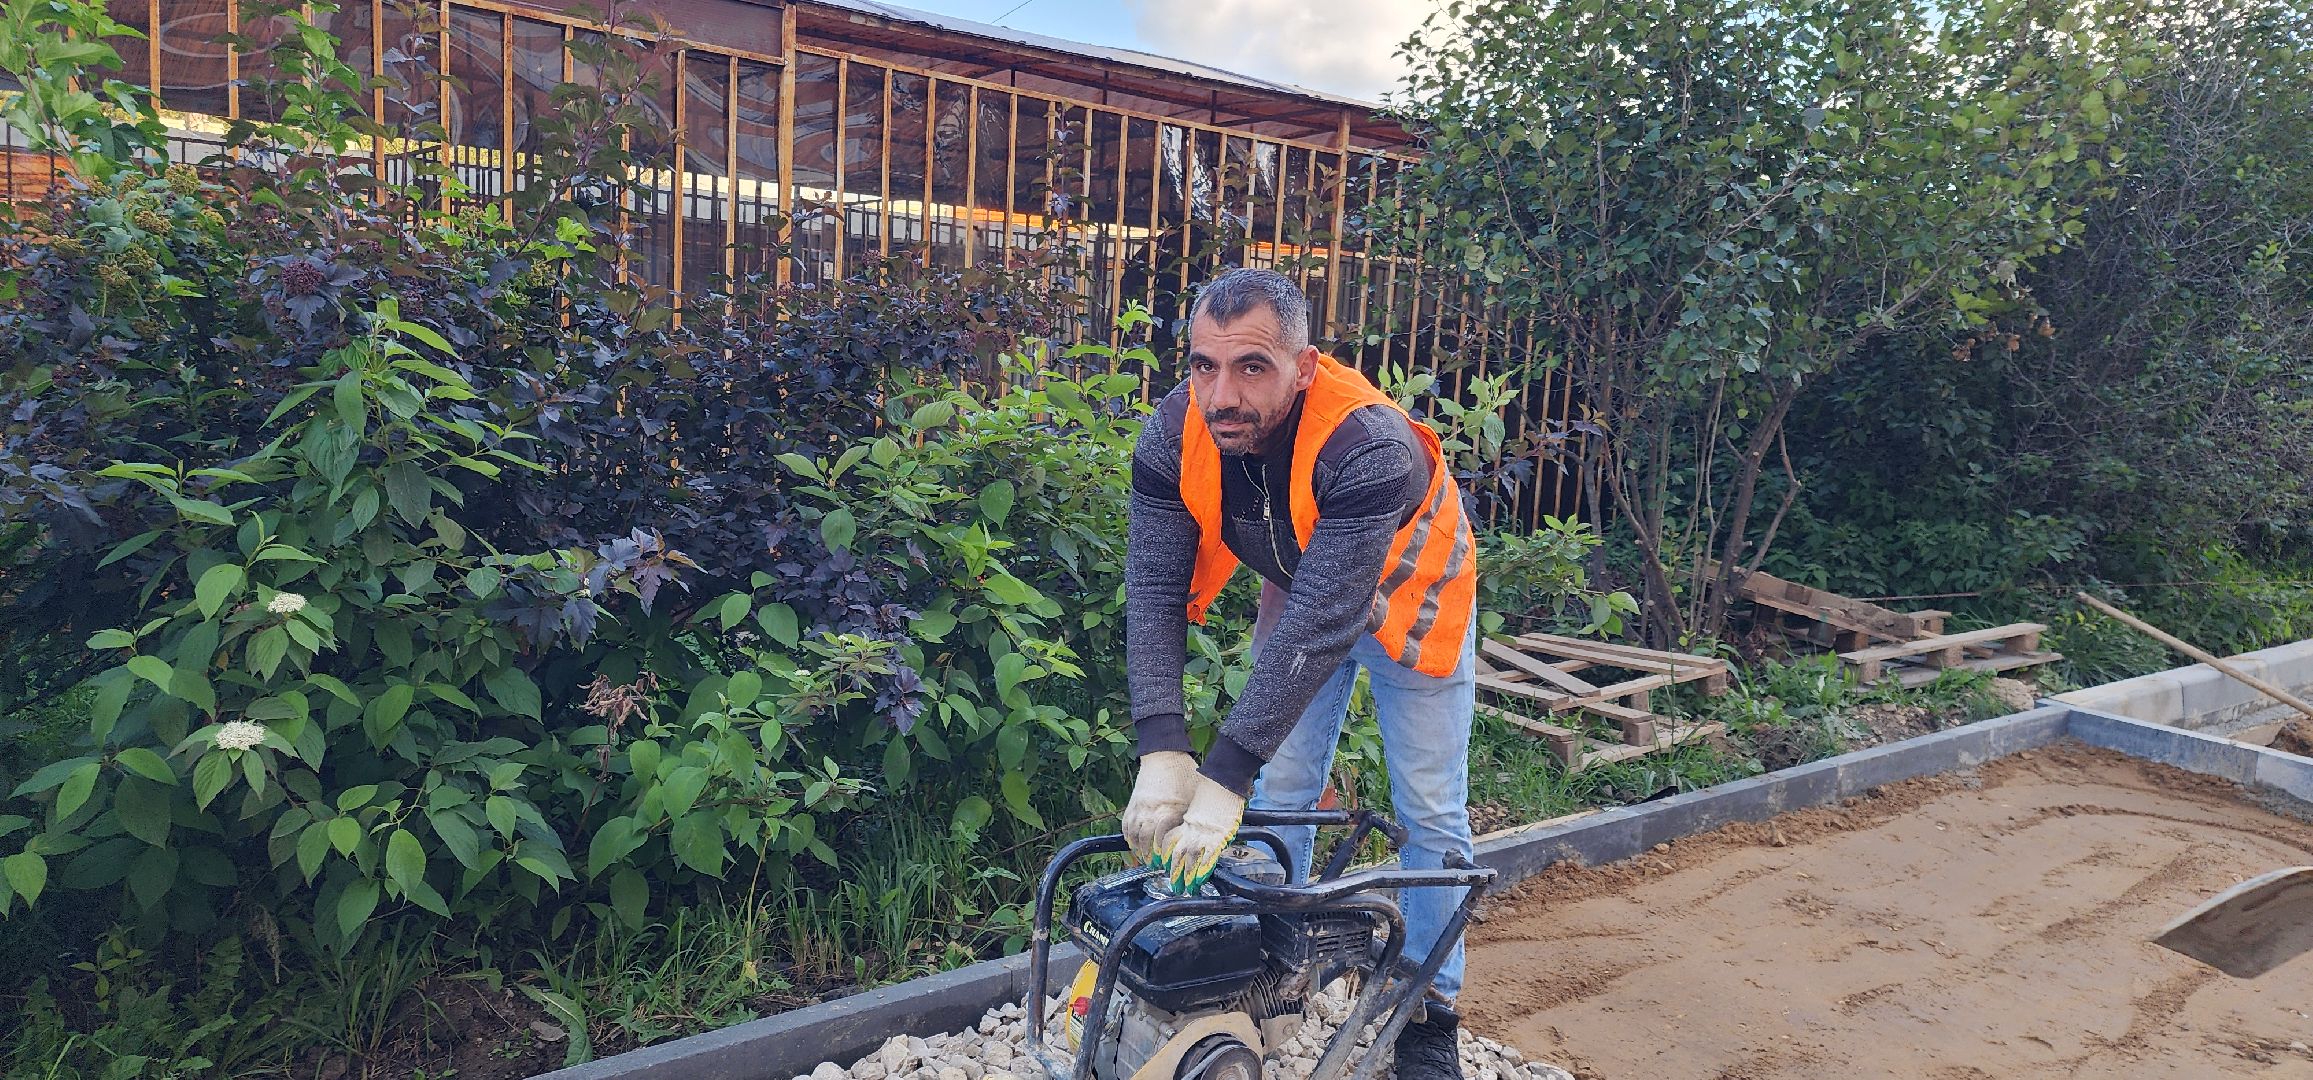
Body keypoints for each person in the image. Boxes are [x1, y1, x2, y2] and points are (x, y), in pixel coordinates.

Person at [1120, 266, 1479, 1079]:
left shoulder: (1368, 446)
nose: (1222, 395)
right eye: (1204, 365)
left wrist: (1224, 771)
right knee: (1280, 794)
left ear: (1304, 366)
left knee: (1428, 811)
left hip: (1412, 595)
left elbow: (1326, 621)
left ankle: (1428, 1013)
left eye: (1252, 366)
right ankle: (1278, 969)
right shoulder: (1173, 433)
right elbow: (1152, 585)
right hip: (1304, 585)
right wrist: (1163, 745)